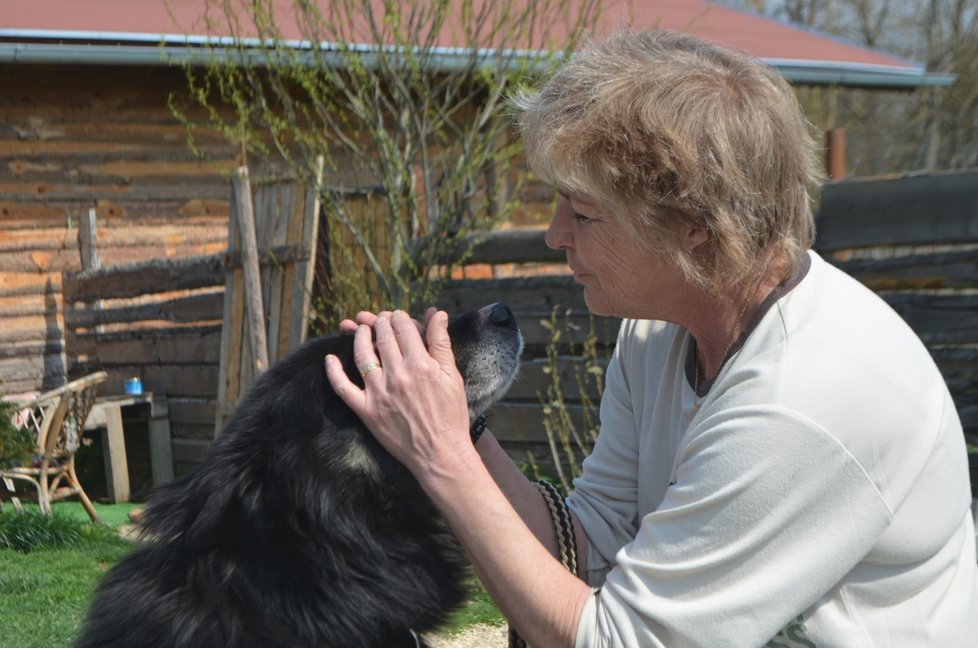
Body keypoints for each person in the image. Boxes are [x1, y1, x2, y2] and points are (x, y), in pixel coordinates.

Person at [324, 29, 978, 647]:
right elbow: (590, 547)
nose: (555, 235)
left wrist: (441, 457)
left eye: (581, 212)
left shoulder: (805, 396)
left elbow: (617, 639)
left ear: (694, 226)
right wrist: (454, 415)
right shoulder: (660, 332)